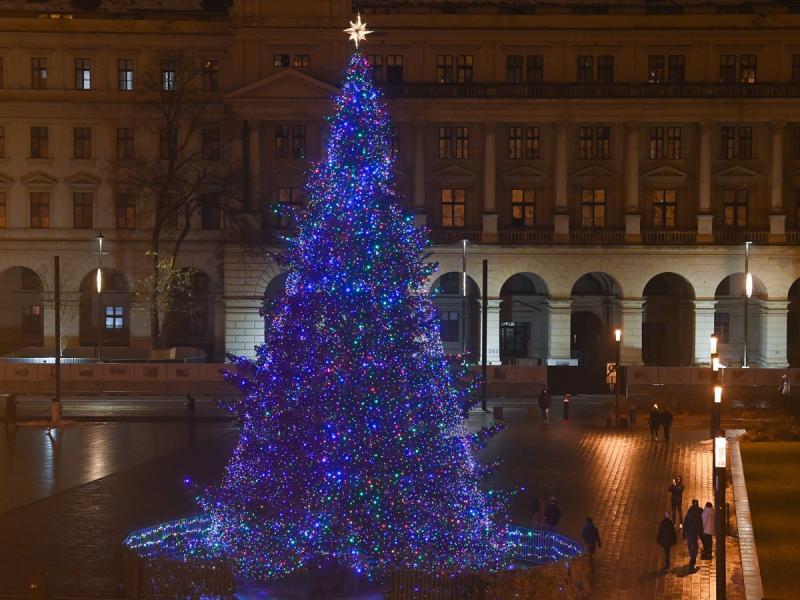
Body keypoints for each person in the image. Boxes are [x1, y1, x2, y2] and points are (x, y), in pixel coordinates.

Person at [683, 499, 704, 572]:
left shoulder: (689, 513)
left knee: (690, 545)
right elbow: (700, 524)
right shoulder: (698, 513)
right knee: (694, 545)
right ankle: (693, 558)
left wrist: (684, 532)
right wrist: (700, 531)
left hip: (689, 533)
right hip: (694, 533)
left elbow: (685, 523)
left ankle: (692, 557)